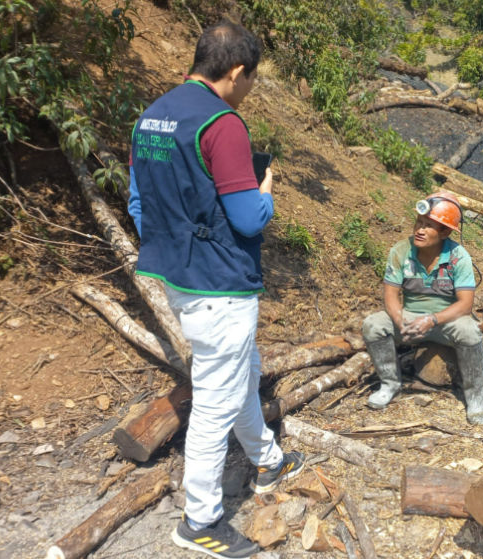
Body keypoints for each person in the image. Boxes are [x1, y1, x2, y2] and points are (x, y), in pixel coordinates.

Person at [127, 21, 303, 558]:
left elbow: (139, 204)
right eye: (251, 80)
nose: (250, 90)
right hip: (221, 285)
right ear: (235, 71)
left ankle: (267, 459)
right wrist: (265, 189)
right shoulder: (224, 124)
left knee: (240, 373)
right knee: (215, 401)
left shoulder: (152, 115)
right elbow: (249, 219)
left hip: (178, 278)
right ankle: (199, 521)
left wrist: (180, 237)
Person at [361, 192, 483, 425]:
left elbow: (465, 304)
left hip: (448, 321)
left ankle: (476, 397)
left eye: (429, 226)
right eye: (419, 222)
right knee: (373, 324)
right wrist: (399, 321)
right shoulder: (400, 251)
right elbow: (390, 295)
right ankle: (390, 384)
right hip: (410, 317)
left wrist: (431, 320)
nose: (420, 229)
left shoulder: (458, 257)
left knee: (471, 331)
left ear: (445, 232)